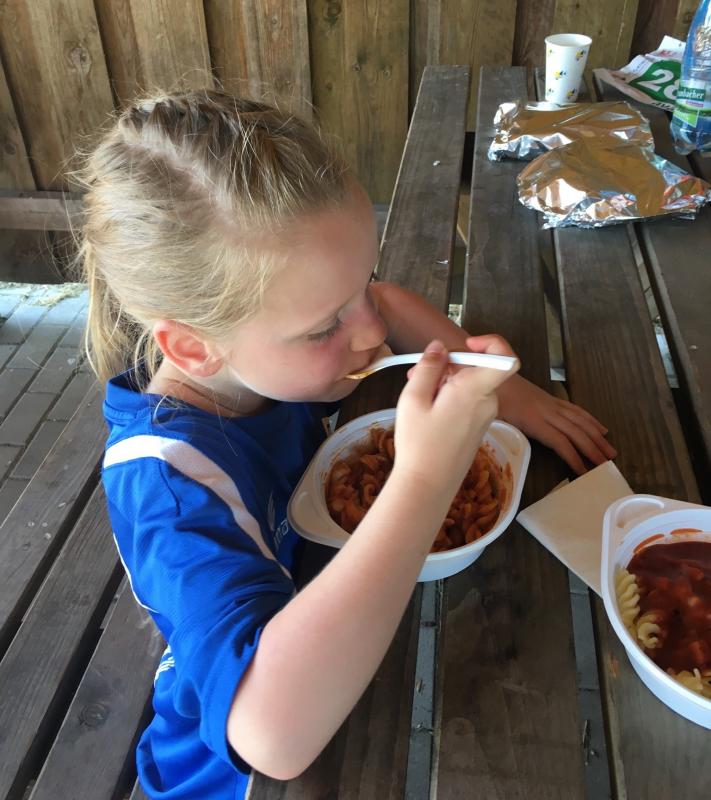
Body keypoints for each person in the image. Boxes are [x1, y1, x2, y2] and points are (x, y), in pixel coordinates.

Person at [78, 90, 616, 799]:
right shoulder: (168, 484)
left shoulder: (260, 356)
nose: (370, 332)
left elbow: (387, 302)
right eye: (325, 326)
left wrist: (511, 393)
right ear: (194, 347)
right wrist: (425, 477)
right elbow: (272, 739)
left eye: (358, 283)